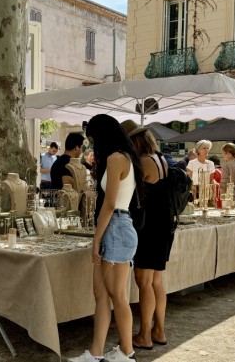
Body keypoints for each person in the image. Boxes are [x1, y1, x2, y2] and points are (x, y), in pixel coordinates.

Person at [69, 115, 142, 362]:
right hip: (117, 226)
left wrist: (95, 239)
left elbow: (109, 204)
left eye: (92, 139)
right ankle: (97, 352)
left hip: (116, 227)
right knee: (101, 294)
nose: (91, 145)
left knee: (116, 295)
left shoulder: (115, 158)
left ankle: (126, 351)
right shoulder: (124, 157)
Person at [120, 120, 173, 350]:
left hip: (149, 227)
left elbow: (132, 195)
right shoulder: (160, 159)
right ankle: (158, 330)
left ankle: (144, 335)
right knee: (156, 281)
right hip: (164, 225)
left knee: (144, 282)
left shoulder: (141, 162)